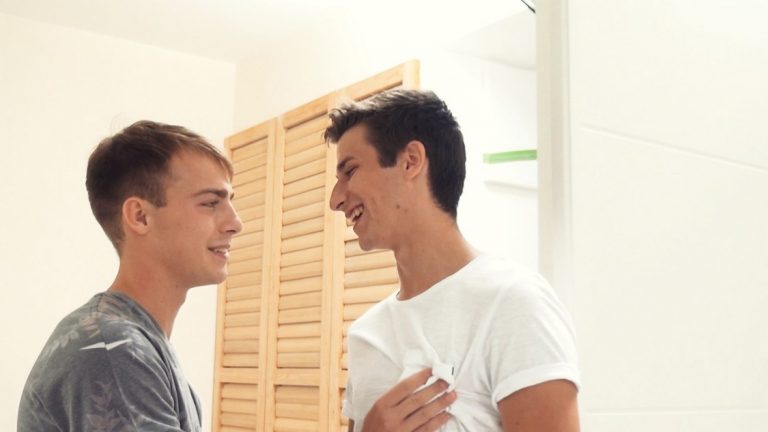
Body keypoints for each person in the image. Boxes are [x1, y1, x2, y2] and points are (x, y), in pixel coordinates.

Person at [325, 89, 581, 431]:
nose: (336, 199)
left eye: (350, 171)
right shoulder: (365, 335)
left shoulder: (514, 304)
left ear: (410, 161)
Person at [18, 121, 242, 431]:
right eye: (210, 203)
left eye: (230, 201)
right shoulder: (113, 350)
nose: (235, 223)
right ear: (140, 216)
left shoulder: (133, 342)